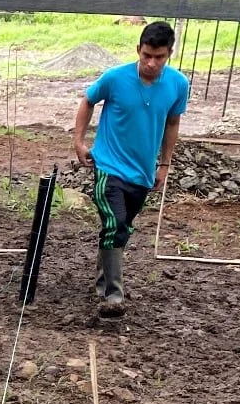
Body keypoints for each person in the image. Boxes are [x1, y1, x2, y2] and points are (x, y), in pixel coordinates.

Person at [72, 20, 189, 317]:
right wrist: (79, 141)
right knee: (115, 223)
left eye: (159, 57)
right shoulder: (114, 78)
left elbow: (172, 124)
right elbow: (88, 100)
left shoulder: (177, 85)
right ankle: (113, 296)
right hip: (108, 166)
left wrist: (164, 164)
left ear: (170, 54)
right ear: (138, 49)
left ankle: (102, 279)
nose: (151, 63)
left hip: (141, 173)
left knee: (119, 229)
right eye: (146, 55)